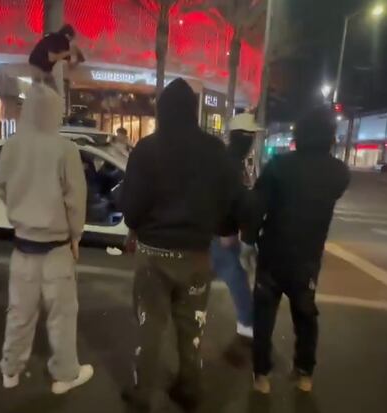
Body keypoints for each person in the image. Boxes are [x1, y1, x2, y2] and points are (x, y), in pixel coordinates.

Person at [120, 78, 239, 412]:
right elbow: (230, 200)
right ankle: (189, 389)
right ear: (193, 111)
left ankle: (141, 393)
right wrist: (224, 229)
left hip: (154, 254)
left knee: (150, 325)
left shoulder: (147, 149)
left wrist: (137, 226)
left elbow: (131, 208)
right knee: (192, 326)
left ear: (162, 112)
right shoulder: (215, 150)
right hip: (198, 254)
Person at [241, 107, 350, 394]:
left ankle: (262, 375)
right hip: (307, 259)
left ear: (299, 135)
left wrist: (248, 241)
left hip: (272, 255)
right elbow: (336, 189)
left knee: (264, 315)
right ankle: (304, 373)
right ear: (330, 136)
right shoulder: (338, 172)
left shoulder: (279, 166)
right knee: (305, 314)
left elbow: (257, 207)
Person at [0, 83, 93, 394]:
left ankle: (11, 369)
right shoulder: (66, 150)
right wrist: (76, 235)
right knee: (61, 317)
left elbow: (2, 186)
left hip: (22, 246)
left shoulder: (11, 146)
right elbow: (75, 200)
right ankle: (64, 375)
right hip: (56, 249)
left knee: (19, 313)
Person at [210, 113, 260, 339]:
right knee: (236, 278)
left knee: (207, 276)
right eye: (251, 136)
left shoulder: (231, 161)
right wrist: (225, 231)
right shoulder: (230, 163)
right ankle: (247, 324)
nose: (252, 141)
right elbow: (222, 199)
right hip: (221, 235)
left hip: (220, 233)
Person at [28, 24, 85, 92]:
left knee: (53, 92)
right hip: (36, 65)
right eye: (71, 39)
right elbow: (52, 58)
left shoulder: (64, 44)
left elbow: (70, 66)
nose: (70, 42)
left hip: (46, 69)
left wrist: (78, 60)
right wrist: (70, 52)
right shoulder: (54, 39)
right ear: (67, 36)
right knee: (39, 89)